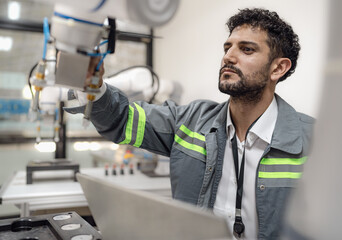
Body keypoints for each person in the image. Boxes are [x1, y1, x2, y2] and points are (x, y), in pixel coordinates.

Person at [65, 8, 314, 239]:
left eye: (246, 49)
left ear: (278, 68)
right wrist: (91, 82)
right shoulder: (190, 121)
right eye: (227, 47)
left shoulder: (315, 142)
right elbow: (121, 118)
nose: (229, 56)